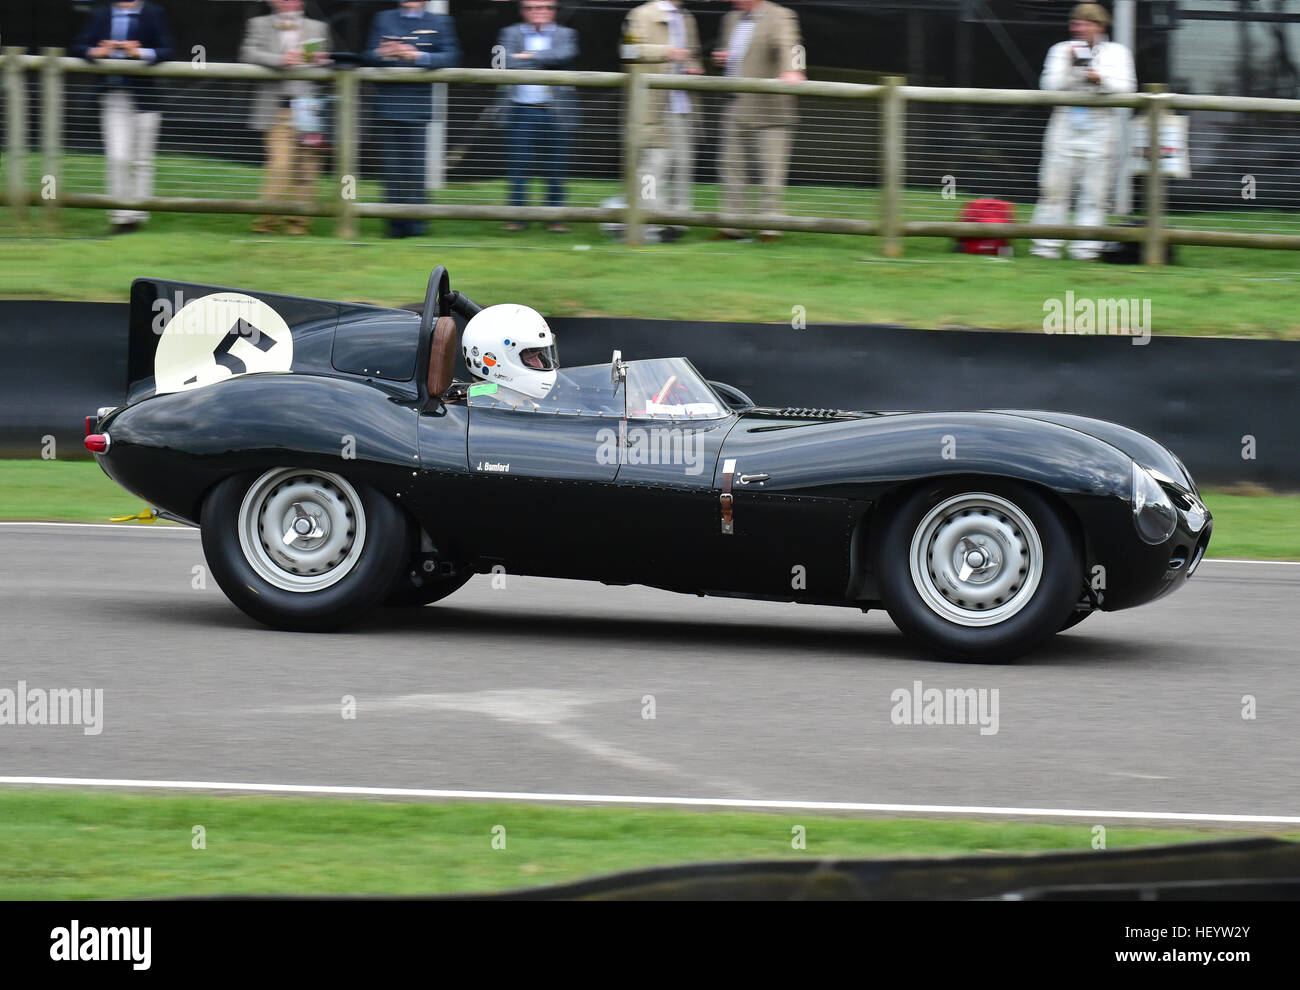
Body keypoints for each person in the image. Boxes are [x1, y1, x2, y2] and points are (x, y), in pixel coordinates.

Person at [1030, 3, 1136, 261]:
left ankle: (1085, 249)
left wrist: (1100, 80)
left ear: (1100, 26)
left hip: (1101, 130)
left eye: (1086, 24)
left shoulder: (1117, 53)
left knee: (1094, 193)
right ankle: (1045, 248)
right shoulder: (1059, 50)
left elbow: (1128, 88)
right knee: (1053, 189)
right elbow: (1048, 88)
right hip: (1064, 126)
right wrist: (1069, 66)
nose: (1079, 28)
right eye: (1076, 24)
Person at [71, 0, 175, 234]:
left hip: (146, 98)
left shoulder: (154, 13)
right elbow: (78, 46)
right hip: (113, 96)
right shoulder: (101, 14)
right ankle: (120, 216)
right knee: (117, 157)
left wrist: (139, 52)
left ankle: (136, 216)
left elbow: (168, 50)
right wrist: (96, 52)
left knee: (142, 160)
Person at [365, 1, 461, 239]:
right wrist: (381, 53)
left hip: (418, 105)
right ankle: (394, 228)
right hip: (388, 105)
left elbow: (452, 56)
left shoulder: (440, 21)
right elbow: (366, 55)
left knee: (416, 170)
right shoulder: (382, 17)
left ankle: (417, 227)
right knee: (392, 170)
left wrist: (417, 56)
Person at [711, 0, 804, 242]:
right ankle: (732, 227)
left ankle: (769, 228)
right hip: (734, 105)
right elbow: (735, 56)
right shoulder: (730, 19)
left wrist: (793, 69)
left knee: (771, 173)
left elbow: (791, 46)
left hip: (769, 109)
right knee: (731, 169)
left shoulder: (781, 15)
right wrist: (723, 58)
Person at [240, 0, 333, 236]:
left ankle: (297, 226)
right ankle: (265, 224)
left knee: (307, 170)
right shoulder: (258, 24)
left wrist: (323, 62)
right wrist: (280, 60)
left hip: (309, 109)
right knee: (279, 167)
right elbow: (247, 53)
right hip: (276, 110)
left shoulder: (318, 27)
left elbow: (329, 65)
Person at [622, 0, 703, 242]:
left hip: (683, 106)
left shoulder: (687, 17)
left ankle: (678, 223)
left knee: (683, 169)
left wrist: (694, 67)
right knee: (652, 169)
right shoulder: (640, 14)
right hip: (652, 107)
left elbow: (692, 56)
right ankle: (651, 221)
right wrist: (665, 52)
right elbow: (628, 52)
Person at [497, 1, 580, 233]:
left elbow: (565, 56)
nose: (538, 11)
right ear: (523, 10)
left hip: (556, 110)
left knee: (556, 166)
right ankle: (517, 218)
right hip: (521, 109)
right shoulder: (509, 32)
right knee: (518, 166)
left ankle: (554, 218)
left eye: (544, 7)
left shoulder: (567, 34)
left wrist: (527, 56)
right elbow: (503, 62)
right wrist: (542, 58)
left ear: (553, 10)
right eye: (532, 7)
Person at [461, 303, 559, 408]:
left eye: (539, 355)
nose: (540, 365)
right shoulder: (471, 407)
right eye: (530, 358)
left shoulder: (523, 403)